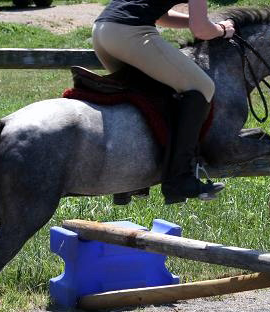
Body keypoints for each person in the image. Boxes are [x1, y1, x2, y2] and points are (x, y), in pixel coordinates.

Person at [92, 0, 235, 204]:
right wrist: (222, 29)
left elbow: (163, 17)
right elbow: (202, 30)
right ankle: (179, 179)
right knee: (203, 87)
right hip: (130, 31)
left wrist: (199, 21)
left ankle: (130, 178)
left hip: (102, 31)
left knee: (151, 94)